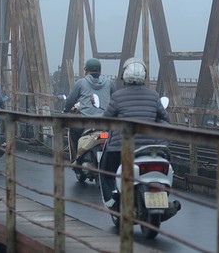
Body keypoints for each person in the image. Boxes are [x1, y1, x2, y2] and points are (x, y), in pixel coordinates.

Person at [99, 57, 169, 209]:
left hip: (121, 148)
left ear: (125, 76)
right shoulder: (154, 96)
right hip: (150, 147)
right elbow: (165, 119)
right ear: (144, 76)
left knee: (105, 169)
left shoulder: (117, 96)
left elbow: (105, 121)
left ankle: (112, 200)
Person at [62, 58, 116, 158]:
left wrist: (66, 110)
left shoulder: (81, 83)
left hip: (87, 123)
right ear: (100, 70)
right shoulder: (109, 83)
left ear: (86, 70)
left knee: (73, 128)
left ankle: (77, 155)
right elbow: (115, 100)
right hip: (105, 123)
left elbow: (70, 101)